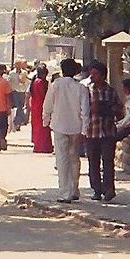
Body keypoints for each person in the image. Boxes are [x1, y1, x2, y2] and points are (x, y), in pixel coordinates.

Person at [42, 59, 89, 202]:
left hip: (59, 125)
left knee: (62, 159)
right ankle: (74, 189)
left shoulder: (55, 85)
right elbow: (85, 111)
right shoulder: (81, 88)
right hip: (76, 127)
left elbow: (47, 105)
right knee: (74, 157)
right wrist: (84, 130)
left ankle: (64, 193)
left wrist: (46, 120)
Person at [84, 62, 123, 202]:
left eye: (95, 74)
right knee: (93, 162)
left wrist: (109, 109)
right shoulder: (87, 90)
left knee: (108, 161)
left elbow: (120, 110)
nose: (93, 77)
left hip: (108, 131)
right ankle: (96, 189)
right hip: (92, 131)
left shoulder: (111, 91)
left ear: (103, 75)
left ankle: (109, 189)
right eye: (91, 74)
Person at [27, 65, 53, 153]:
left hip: (35, 106)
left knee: (37, 127)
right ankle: (44, 146)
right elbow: (45, 95)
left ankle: (38, 145)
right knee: (44, 127)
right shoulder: (42, 82)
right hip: (42, 106)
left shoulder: (34, 82)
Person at [7, 59, 30, 131]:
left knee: (21, 107)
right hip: (15, 92)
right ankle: (17, 122)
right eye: (17, 64)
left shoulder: (25, 72)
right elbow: (9, 83)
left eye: (20, 64)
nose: (18, 66)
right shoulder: (11, 73)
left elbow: (27, 82)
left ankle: (18, 122)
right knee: (18, 107)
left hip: (22, 91)